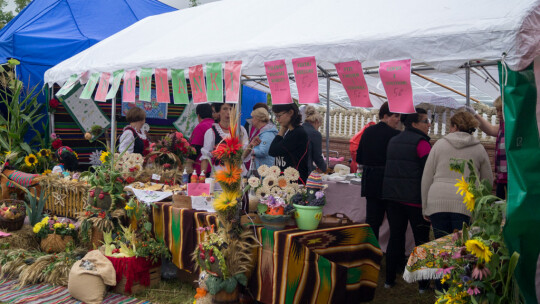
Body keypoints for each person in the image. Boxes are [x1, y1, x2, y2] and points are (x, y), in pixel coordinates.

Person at [421, 111, 493, 239]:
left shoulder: (439, 145)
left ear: (454, 126)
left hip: (437, 201)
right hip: (465, 203)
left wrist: (425, 207)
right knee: (461, 248)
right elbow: (487, 181)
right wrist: (482, 208)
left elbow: (427, 177)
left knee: (441, 245)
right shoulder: (479, 148)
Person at [382, 107, 432, 291]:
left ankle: (388, 280)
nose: (429, 124)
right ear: (414, 123)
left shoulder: (393, 140)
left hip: (393, 197)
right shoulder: (422, 143)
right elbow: (429, 173)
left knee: (395, 237)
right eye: (425, 121)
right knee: (422, 240)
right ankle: (423, 284)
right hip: (415, 199)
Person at [356, 102, 401, 240]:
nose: (398, 119)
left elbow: (359, 157)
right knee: (395, 224)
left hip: (371, 182)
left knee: (372, 222)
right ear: (386, 116)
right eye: (396, 116)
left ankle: (370, 253)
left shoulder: (368, 131)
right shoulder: (396, 135)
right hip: (389, 183)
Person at [464, 97, 506, 199]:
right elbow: (490, 129)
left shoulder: (515, 126)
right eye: (497, 110)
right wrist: (475, 115)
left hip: (512, 178)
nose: (499, 113)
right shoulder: (502, 126)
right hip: (501, 177)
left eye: (502, 110)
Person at [201, 103, 248, 174]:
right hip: (220, 172)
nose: (228, 112)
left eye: (231, 109)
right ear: (218, 111)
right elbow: (205, 156)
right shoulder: (211, 132)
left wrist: (251, 146)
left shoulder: (240, 130)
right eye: (225, 109)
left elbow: (245, 152)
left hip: (238, 171)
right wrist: (202, 176)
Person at [269, 103, 310, 183]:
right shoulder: (291, 132)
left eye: (279, 116)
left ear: (290, 112)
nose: (277, 119)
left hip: (295, 182)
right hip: (287, 181)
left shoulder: (297, 133)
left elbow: (273, 151)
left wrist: (281, 131)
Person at [188, 104, 215, 175]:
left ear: (198, 116)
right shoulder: (216, 125)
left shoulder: (201, 127)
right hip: (214, 167)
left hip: (201, 168)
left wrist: (188, 165)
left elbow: (195, 149)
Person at [302, 106, 327, 175]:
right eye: (319, 126)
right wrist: (326, 169)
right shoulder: (315, 134)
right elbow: (317, 157)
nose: (317, 129)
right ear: (316, 121)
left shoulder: (298, 129)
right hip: (305, 171)